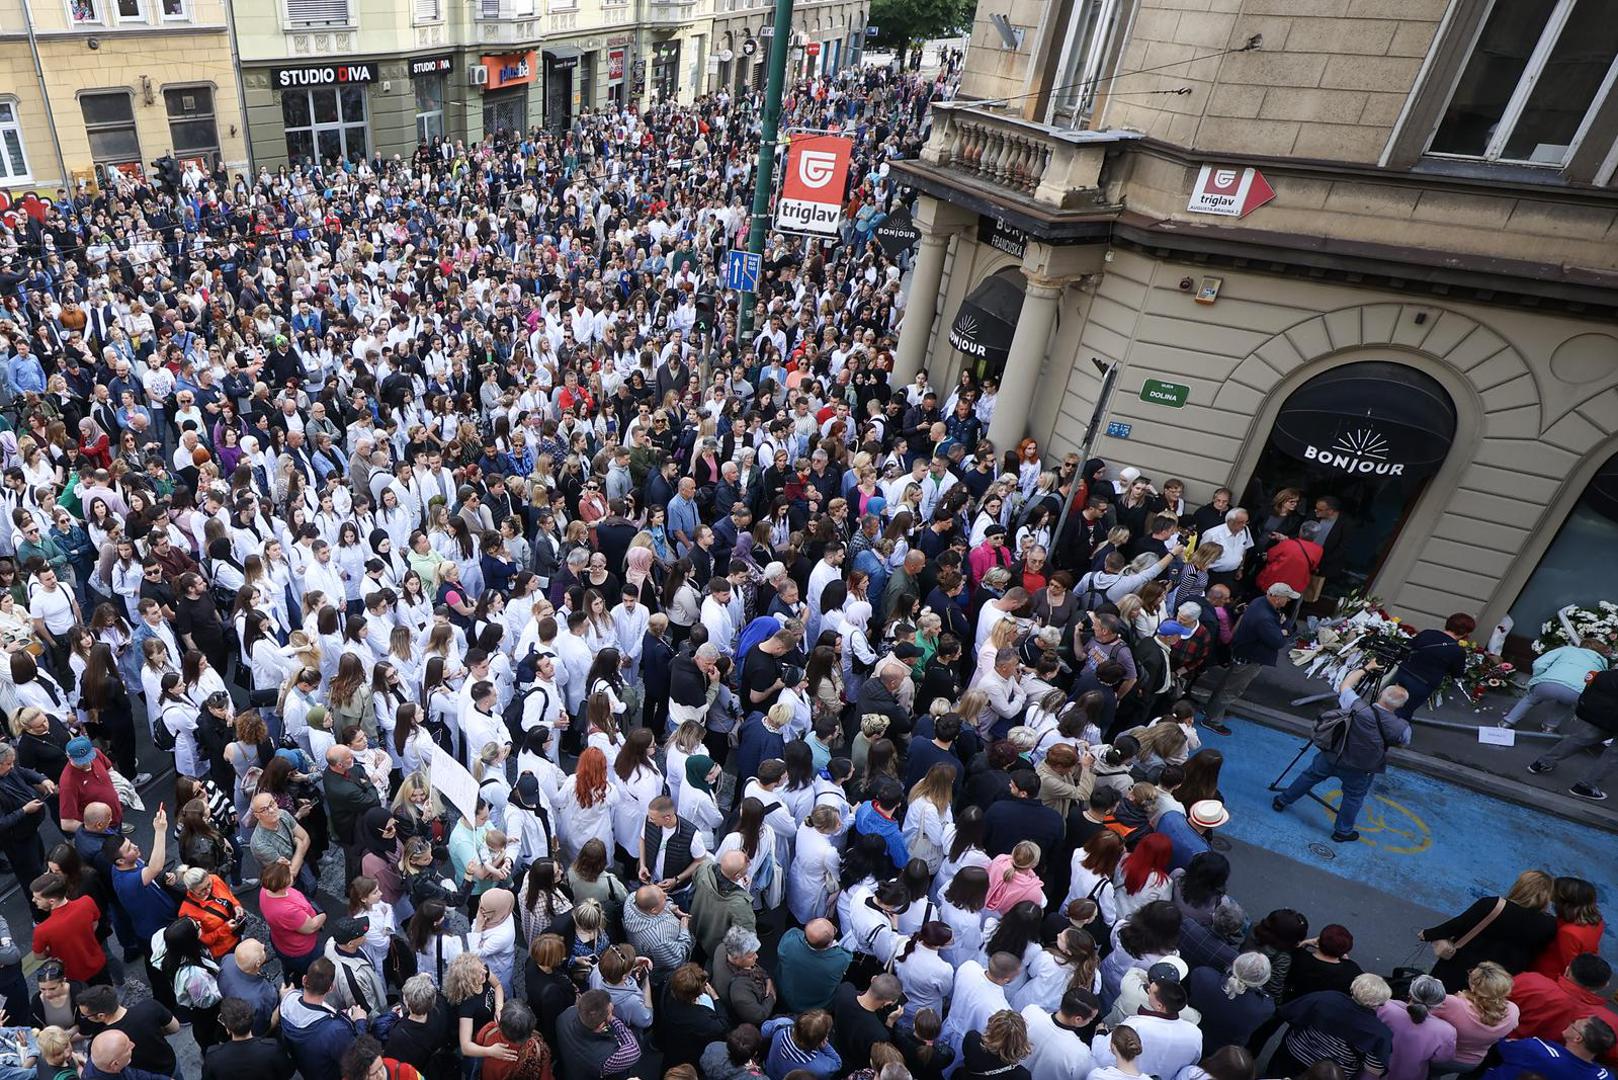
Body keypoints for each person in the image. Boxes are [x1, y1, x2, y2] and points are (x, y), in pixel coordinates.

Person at [1272, 660, 1412, 842]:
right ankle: (1342, 832)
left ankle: (1282, 800)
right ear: (1400, 705)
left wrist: (1367, 667)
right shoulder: (1402, 727)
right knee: (1353, 797)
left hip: (1333, 755)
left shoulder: (1357, 707)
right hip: (1362, 767)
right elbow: (1403, 743)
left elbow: (1345, 685)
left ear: (1380, 695)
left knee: (1310, 776)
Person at [1420, 871, 1558, 992]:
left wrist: (1428, 934)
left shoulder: (1493, 905)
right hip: (1499, 981)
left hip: (1462, 967)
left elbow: (1458, 925)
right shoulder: (1549, 924)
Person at [1200, 583, 1297, 735]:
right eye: (1287, 598)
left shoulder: (1259, 602)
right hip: (1250, 657)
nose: (1289, 601)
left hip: (1243, 652)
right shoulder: (1265, 618)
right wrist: (1284, 630)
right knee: (1231, 690)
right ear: (1277, 598)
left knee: (1227, 685)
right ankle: (1212, 719)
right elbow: (1277, 641)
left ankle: (1211, 710)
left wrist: (1281, 629)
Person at [1267, 973, 1395, 1078]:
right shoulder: (1380, 1033)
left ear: (1352, 988)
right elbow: (1373, 1072)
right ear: (1377, 1004)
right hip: (1330, 1075)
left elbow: (1288, 1013)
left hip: (1293, 1055)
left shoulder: (1325, 998)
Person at [1528, 665, 1618, 802]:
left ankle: (1542, 762)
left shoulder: (1608, 674)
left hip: (1607, 715)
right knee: (1614, 754)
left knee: (1584, 737)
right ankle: (1585, 786)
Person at [1481, 1018, 1616, 1080]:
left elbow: (1502, 1045)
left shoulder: (1536, 1050)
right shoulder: (1604, 1077)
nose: (1571, 1022)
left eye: (1574, 1023)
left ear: (1577, 1038)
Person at [202, 998, 295, 1080]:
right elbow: (288, 1072)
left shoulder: (213, 1056)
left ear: (228, 1029)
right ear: (252, 1022)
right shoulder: (272, 1049)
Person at [777, 919, 855, 1013]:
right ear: (830, 943)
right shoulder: (840, 960)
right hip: (816, 1008)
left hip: (785, 994)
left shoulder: (789, 941)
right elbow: (847, 955)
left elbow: (794, 932)